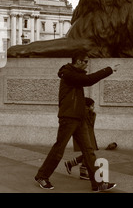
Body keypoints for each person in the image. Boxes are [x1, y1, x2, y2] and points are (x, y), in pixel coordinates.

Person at [34, 50, 119, 192]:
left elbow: (74, 95)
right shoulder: (69, 74)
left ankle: (98, 183)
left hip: (79, 118)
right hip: (68, 118)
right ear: (78, 61)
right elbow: (89, 80)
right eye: (85, 62)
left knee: (89, 151)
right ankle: (42, 176)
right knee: (59, 149)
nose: (87, 65)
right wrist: (109, 70)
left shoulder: (76, 75)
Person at [64, 97, 97, 180]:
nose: (93, 107)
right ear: (87, 106)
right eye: (92, 106)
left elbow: (92, 124)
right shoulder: (84, 113)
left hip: (90, 135)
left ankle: (71, 164)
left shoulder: (91, 113)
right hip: (85, 135)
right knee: (89, 154)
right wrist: (89, 111)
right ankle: (78, 170)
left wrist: (92, 112)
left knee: (89, 154)